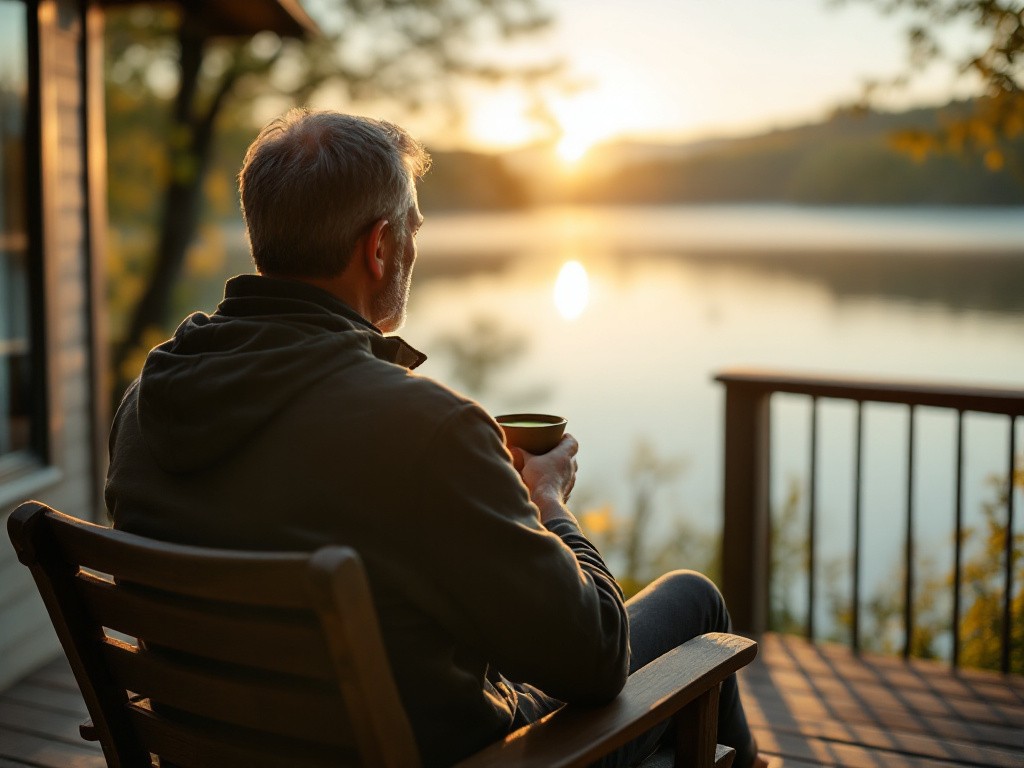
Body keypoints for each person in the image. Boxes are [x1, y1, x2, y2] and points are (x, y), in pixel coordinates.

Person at [105, 108, 766, 768]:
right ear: (381, 246)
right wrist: (549, 503)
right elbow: (595, 660)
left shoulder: (144, 405)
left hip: (214, 749)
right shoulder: (425, 431)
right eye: (413, 229)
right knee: (694, 602)